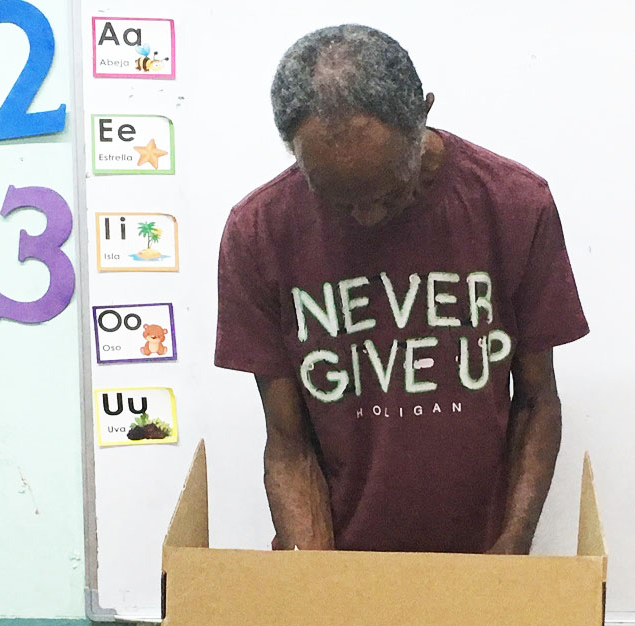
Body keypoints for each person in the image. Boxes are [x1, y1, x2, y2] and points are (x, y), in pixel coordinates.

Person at [214, 24, 588, 554]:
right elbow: (289, 444)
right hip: (337, 562)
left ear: (423, 114)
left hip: (483, 565)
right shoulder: (259, 233)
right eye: (336, 200)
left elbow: (535, 403)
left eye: (388, 193)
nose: (365, 218)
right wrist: (321, 580)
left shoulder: (514, 207)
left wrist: (511, 551)